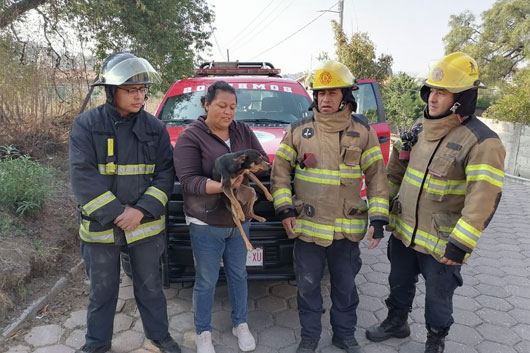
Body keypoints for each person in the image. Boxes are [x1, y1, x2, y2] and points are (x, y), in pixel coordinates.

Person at [365, 52, 506, 353]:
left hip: (442, 243)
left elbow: (483, 198)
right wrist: (381, 215)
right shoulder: (418, 128)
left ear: (462, 99)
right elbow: (394, 174)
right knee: (399, 282)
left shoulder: (483, 141)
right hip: (404, 232)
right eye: (431, 90)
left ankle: (435, 339)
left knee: (438, 296)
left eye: (443, 92)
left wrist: (461, 244)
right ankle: (396, 322)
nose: (433, 97)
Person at [270, 61, 389, 353]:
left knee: (345, 288)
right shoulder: (299, 130)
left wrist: (378, 219)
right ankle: (309, 337)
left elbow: (376, 179)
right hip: (307, 228)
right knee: (309, 287)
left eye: (332, 93)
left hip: (346, 230)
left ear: (346, 96)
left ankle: (344, 335)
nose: (325, 99)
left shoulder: (363, 132)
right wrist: (285, 210)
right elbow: (280, 173)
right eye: (320, 93)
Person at [69, 52, 179, 353]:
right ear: (110, 90)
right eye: (131, 90)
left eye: (143, 90)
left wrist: (141, 211)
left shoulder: (155, 129)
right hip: (101, 229)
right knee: (102, 291)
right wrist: (119, 214)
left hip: (144, 228)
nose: (140, 96)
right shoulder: (86, 125)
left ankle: (160, 337)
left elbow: (165, 175)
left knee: (151, 287)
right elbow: (82, 177)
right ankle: (97, 343)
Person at [173, 81, 266, 353]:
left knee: (239, 274)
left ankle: (241, 324)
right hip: (205, 223)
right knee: (206, 280)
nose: (228, 112)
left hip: (238, 223)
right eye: (222, 106)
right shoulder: (191, 136)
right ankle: (203, 332)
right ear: (206, 104)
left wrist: (252, 170)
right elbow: (188, 181)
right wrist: (226, 185)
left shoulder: (242, 130)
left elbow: (258, 160)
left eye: (233, 107)